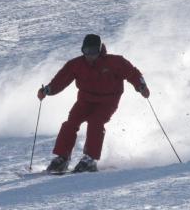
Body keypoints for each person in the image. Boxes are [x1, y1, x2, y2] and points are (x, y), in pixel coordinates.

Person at [37, 33, 150, 173]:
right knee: (71, 123)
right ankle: (62, 158)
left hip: (108, 101)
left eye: (93, 51)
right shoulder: (76, 64)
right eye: (86, 51)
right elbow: (61, 79)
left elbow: (133, 73)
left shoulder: (114, 62)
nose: (90, 55)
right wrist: (47, 90)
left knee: (96, 122)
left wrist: (141, 86)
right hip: (85, 100)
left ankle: (90, 159)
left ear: (100, 50)